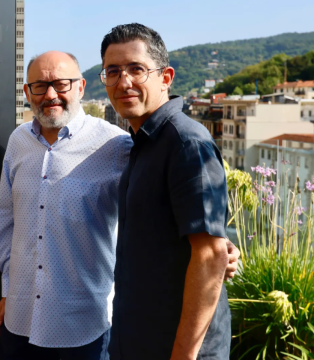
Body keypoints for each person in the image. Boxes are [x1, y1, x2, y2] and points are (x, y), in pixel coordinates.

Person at [0, 50, 239, 360]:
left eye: (62, 84)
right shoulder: (18, 142)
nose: (51, 94)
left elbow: (160, 201)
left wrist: (218, 243)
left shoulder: (115, 145)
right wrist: (8, 290)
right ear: (27, 92)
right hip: (19, 321)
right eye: (40, 86)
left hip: (83, 331)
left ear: (81, 87)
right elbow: (5, 220)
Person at [101, 24, 231, 360]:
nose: (123, 81)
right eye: (112, 71)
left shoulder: (185, 143)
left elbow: (210, 255)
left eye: (136, 69)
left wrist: (183, 356)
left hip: (177, 348)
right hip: (140, 339)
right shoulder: (143, 144)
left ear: (165, 77)